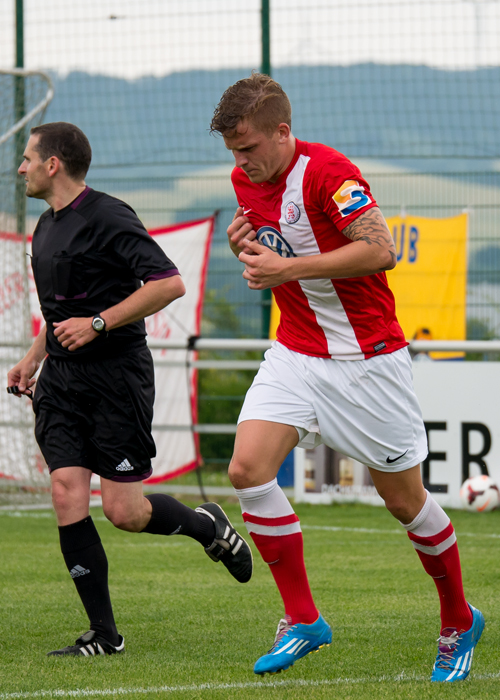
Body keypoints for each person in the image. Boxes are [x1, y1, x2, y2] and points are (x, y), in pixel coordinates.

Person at [210, 74, 483, 682]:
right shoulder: (244, 180)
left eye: (249, 147)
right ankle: (303, 619)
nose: (241, 162)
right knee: (247, 470)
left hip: (367, 361)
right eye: (232, 150)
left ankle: (458, 619)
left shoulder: (330, 172)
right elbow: (274, 252)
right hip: (295, 351)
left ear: (283, 132)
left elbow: (381, 249)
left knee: (404, 501)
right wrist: (246, 250)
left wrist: (287, 267)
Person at [8, 122, 252, 657]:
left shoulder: (109, 215)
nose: (20, 167)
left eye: (28, 158)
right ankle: (104, 634)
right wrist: (32, 359)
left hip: (117, 379)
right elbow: (59, 316)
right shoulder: (44, 228)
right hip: (63, 382)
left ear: (54, 164)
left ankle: (206, 525)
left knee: (124, 511)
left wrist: (99, 323)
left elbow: (169, 283)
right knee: (66, 492)